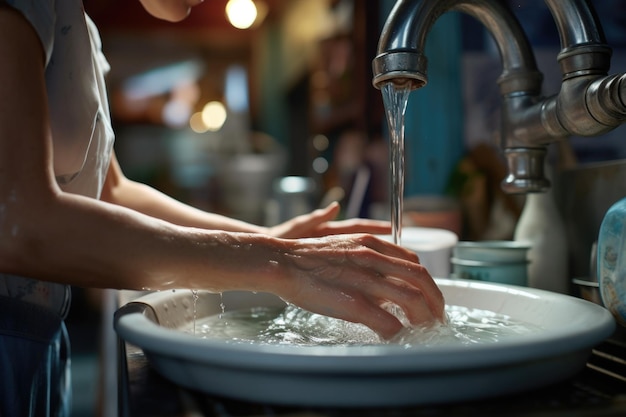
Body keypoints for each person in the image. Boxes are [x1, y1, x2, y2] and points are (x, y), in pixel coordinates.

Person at [0, 0, 445, 415]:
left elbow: (110, 191)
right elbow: (16, 222)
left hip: (37, 344)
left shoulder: (78, 24)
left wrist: (270, 242)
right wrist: (277, 263)